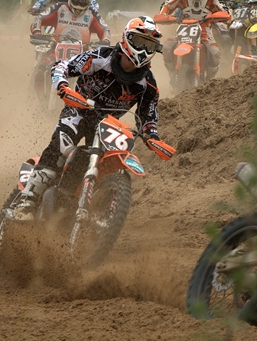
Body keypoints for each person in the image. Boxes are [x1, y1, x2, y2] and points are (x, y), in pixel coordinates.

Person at [14, 16, 175, 220]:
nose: (143, 49)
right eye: (139, 41)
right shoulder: (101, 57)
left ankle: (68, 205)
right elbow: (62, 66)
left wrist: (152, 137)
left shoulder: (148, 84)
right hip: (79, 110)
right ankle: (27, 200)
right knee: (61, 143)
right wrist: (63, 87)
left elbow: (147, 117)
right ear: (126, 38)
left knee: (97, 164)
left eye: (149, 45)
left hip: (106, 124)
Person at [159, 0, 228, 83]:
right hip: (184, 28)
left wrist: (217, 16)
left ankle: (210, 80)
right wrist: (164, 15)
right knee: (166, 47)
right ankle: (172, 74)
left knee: (214, 53)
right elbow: (167, 5)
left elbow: (224, 11)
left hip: (204, 29)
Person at [30, 0, 110, 45]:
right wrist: (37, 32)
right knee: (43, 58)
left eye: (83, 2)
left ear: (89, 2)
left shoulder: (92, 13)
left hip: (83, 55)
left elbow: (105, 29)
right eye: (76, 1)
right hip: (55, 51)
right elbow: (39, 18)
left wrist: (105, 40)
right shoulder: (59, 8)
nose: (79, 5)